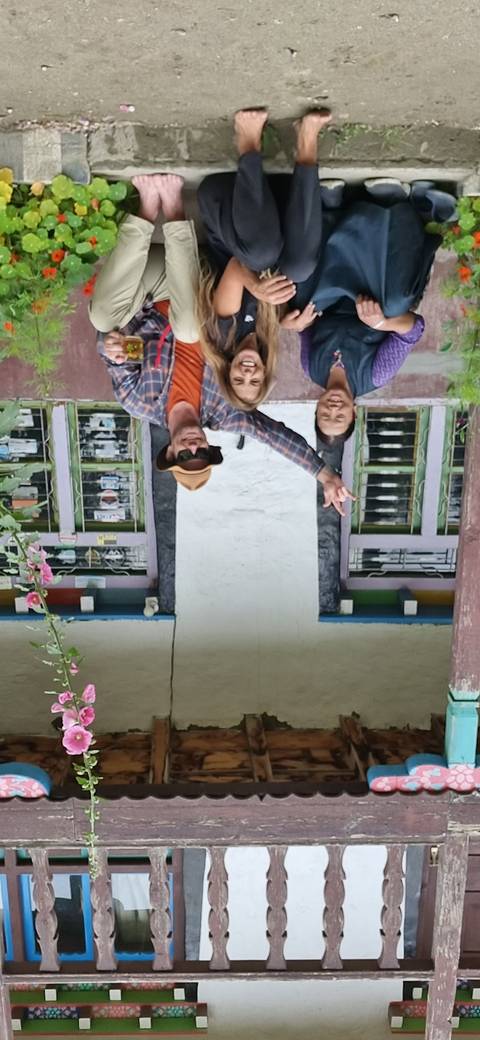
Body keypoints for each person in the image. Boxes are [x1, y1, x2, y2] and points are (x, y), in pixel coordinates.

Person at [89, 172, 353, 510]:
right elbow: (274, 437)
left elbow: (121, 354)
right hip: (195, 277)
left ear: (170, 451)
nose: (194, 447)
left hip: (149, 291)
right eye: (203, 453)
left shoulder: (138, 401)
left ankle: (145, 208)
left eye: (185, 455)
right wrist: (323, 474)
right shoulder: (224, 409)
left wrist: (111, 347)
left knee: (101, 319)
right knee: (188, 329)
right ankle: (171, 207)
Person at [196, 108, 332, 410]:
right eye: (255, 381)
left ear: (227, 371)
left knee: (259, 257)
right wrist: (291, 317)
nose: (247, 374)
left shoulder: (222, 332)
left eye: (238, 380)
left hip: (224, 201)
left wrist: (256, 288)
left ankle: (248, 141)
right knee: (299, 267)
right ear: (266, 372)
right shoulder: (270, 328)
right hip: (277, 203)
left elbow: (234, 268)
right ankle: (307, 142)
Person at [292, 192, 448, 446]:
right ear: (354, 413)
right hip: (374, 292)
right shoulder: (376, 375)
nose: (333, 408)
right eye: (340, 416)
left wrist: (294, 323)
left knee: (299, 301)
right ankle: (395, 210)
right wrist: (380, 323)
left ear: (316, 408)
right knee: (397, 303)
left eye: (325, 414)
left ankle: (329, 209)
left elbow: (303, 327)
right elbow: (413, 330)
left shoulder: (311, 367)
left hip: (330, 290)